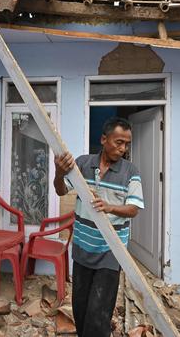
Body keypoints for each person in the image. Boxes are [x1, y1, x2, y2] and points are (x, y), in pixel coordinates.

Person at [53, 116, 144, 337]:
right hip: (83, 248)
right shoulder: (83, 164)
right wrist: (59, 172)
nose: (123, 148)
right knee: (81, 308)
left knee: (99, 312)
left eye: (127, 144)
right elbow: (60, 190)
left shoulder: (130, 172)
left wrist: (110, 207)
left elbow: (134, 208)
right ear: (104, 139)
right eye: (118, 142)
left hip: (111, 251)